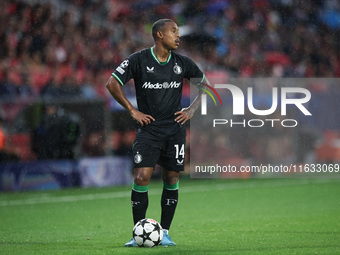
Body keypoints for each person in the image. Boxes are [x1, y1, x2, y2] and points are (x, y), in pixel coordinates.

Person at [106, 18, 208, 247]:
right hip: (148, 131)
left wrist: (191, 110)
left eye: (178, 31)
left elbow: (206, 86)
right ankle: (138, 233)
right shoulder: (139, 60)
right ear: (159, 35)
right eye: (173, 31)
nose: (178, 36)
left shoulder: (183, 63)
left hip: (174, 131)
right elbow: (112, 83)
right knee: (141, 178)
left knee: (171, 178)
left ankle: (166, 232)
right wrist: (132, 110)